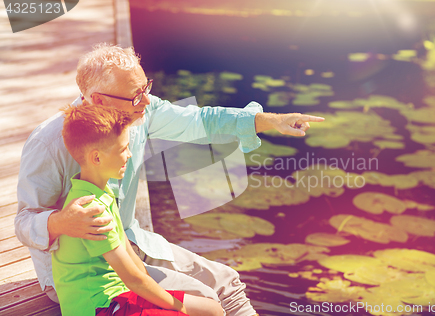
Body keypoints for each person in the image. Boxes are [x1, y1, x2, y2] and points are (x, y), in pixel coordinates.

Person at [15, 43, 324, 316]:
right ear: (97, 100)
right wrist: (61, 222)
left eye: (145, 88)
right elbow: (24, 221)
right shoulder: (49, 143)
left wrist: (270, 121)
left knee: (228, 284)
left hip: (129, 241)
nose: (146, 102)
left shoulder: (139, 111)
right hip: (84, 277)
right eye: (135, 96)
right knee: (204, 300)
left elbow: (202, 121)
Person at [54, 103, 224, 316]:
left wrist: (163, 297)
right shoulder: (92, 210)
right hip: (100, 307)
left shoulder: (102, 191)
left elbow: (131, 257)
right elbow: (133, 279)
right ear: (97, 158)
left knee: (213, 310)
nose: (129, 155)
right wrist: (179, 308)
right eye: (123, 149)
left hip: (119, 296)